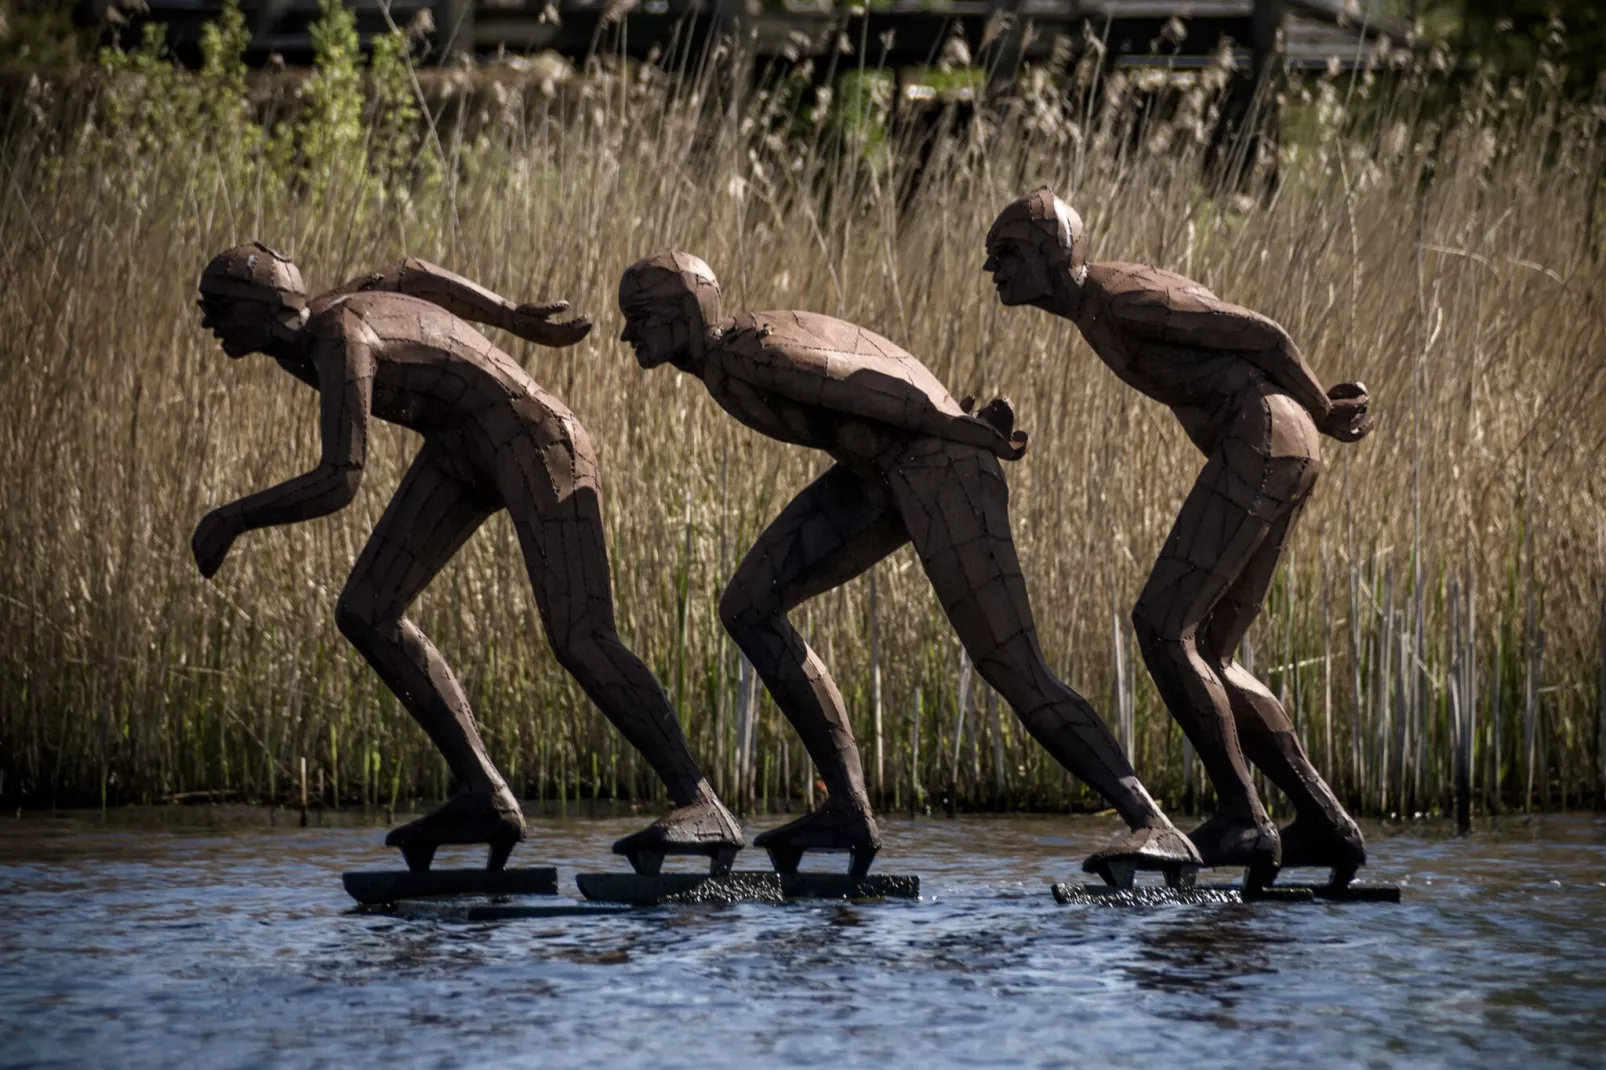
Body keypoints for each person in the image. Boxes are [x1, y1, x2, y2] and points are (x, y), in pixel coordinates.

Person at [615, 251, 1201, 881]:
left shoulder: (742, 352)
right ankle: (847, 809)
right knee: (749, 607)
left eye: (640, 316)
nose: (628, 335)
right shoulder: (728, 355)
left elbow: (859, 381)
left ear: (681, 311)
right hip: (881, 475)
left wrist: (960, 427)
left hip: (941, 465)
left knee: (1012, 664)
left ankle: (1154, 825)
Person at [193, 243, 742, 871]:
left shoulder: (339, 336)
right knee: (367, 612)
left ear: (260, 307)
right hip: (462, 450)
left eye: (219, 308)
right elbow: (410, 274)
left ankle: (703, 805)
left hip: (534, 437)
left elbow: (339, 479)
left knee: (580, 637)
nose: (209, 323)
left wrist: (232, 518)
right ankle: (486, 797)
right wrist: (511, 315)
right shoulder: (320, 320)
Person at [984, 188, 1373, 885]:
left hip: (1267, 437)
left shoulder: (1118, 297)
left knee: (1163, 627)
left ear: (1053, 251)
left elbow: (1265, 334)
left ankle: (1244, 820)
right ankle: (1322, 823)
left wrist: (1325, 407)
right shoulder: (1096, 310)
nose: (992, 269)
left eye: (1006, 252)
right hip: (1278, 443)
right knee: (1212, 652)